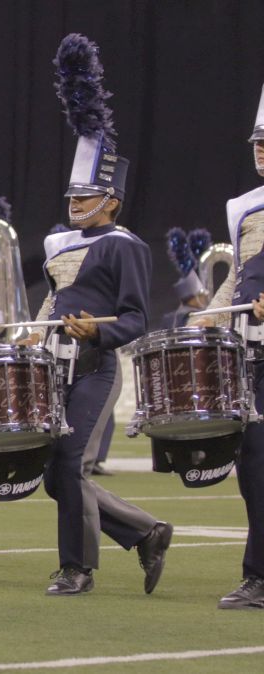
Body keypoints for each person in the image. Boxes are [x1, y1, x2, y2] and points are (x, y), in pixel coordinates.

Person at [20, 34, 171, 596]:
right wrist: (36, 333)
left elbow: (137, 320)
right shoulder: (59, 244)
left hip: (95, 368)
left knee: (70, 467)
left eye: (86, 196)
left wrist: (97, 333)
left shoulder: (125, 245)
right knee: (56, 477)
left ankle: (78, 569)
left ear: (111, 198)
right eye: (71, 196)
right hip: (53, 366)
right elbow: (52, 301)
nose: (74, 205)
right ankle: (145, 532)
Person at [190, 81, 264, 609]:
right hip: (251, 354)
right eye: (258, 142)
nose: (261, 149)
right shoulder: (243, 208)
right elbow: (240, 275)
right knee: (254, 465)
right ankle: (258, 576)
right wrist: (207, 319)